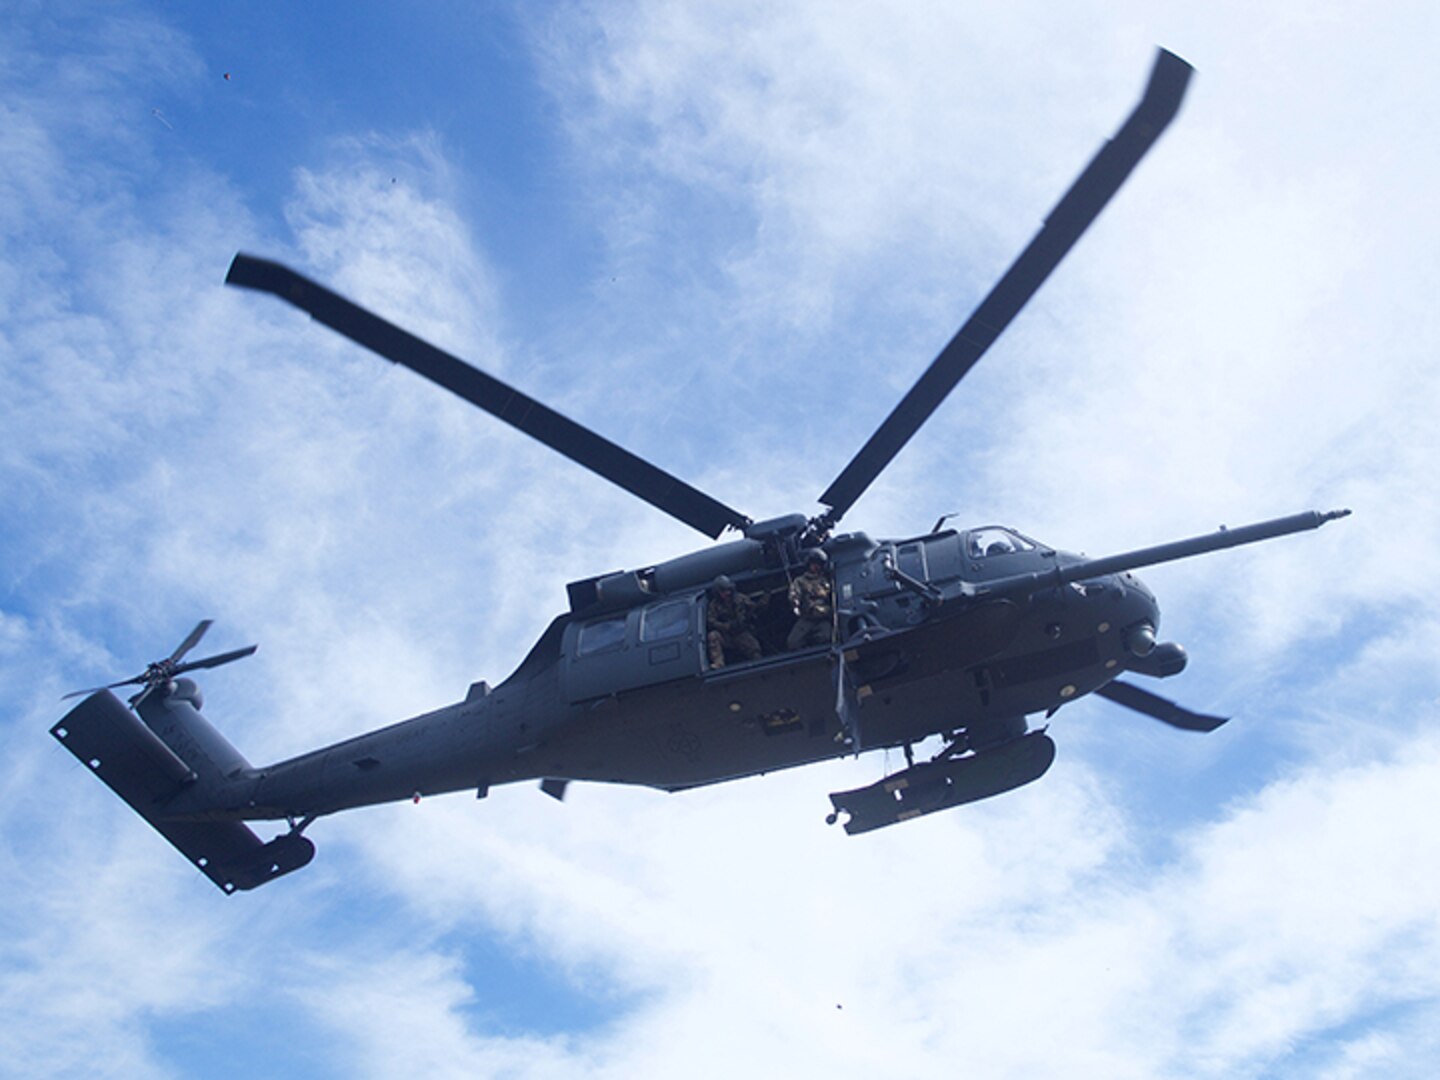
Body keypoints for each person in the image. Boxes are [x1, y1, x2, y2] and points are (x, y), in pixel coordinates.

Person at [707, 575, 762, 668]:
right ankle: (719, 663)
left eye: (728, 590)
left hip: (741, 633)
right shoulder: (714, 605)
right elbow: (710, 620)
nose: (727, 593)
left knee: (754, 650)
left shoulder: (740, 598)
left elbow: (753, 607)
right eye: (723, 591)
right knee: (713, 636)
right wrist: (725, 626)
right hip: (727, 635)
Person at [787, 550, 834, 650]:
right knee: (793, 642)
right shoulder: (801, 580)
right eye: (814, 564)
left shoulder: (826, 580)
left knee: (827, 637)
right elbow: (794, 593)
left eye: (819, 564)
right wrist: (795, 604)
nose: (816, 567)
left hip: (823, 617)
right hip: (807, 617)